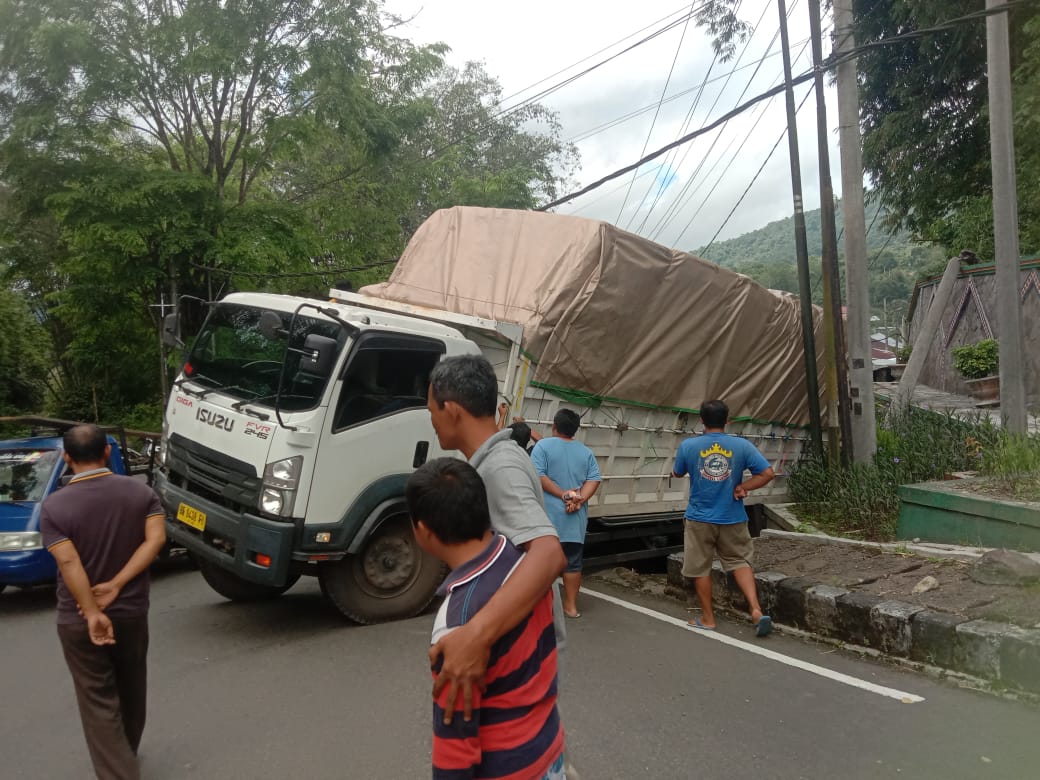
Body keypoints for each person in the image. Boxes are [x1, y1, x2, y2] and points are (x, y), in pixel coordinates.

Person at [407, 458, 565, 780]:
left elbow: (455, 745)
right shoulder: (525, 564)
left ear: (423, 531)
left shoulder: (455, 628)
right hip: (549, 751)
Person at [426, 356, 567, 715]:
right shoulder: (497, 459)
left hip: (519, 649)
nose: (432, 422)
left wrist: (476, 635)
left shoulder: (501, 467)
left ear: (452, 410)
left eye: (432, 411)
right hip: (519, 641)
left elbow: (548, 553)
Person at [40, 424, 167, 780]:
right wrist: (117, 584)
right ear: (108, 453)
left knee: (98, 700)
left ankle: (119, 770)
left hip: (77, 617)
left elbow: (68, 562)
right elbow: (154, 541)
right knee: (131, 687)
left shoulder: (53, 507)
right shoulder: (141, 494)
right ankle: (125, 756)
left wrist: (93, 611)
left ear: (67, 458)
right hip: (130, 611)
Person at [671, 400, 775, 637]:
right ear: (728, 421)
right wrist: (743, 487)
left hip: (699, 518)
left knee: (700, 568)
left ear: (701, 420)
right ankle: (756, 610)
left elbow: (678, 471)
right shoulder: (742, 446)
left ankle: (708, 619)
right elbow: (767, 473)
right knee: (739, 562)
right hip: (733, 517)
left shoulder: (689, 446)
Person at [531, 409, 601, 619]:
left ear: (554, 426)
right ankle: (570, 607)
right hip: (574, 519)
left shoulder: (543, 446)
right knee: (572, 563)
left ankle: (537, 608)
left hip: (547, 518)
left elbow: (538, 475)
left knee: (540, 563)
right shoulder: (586, 452)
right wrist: (579, 499)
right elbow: (594, 479)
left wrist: (563, 495)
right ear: (576, 430)